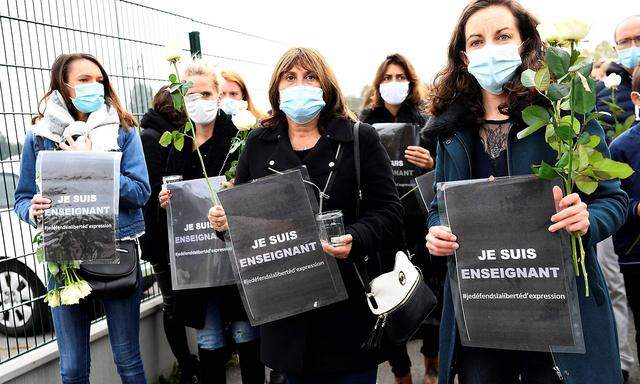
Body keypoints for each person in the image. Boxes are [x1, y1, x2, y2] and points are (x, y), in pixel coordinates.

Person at [424, 1, 628, 383]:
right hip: (483, 313)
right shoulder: (450, 131)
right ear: (465, 57)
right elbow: (439, 206)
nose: (490, 49)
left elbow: (612, 199)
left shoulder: (565, 112)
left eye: (502, 37)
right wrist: (436, 232)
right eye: (478, 41)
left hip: (561, 311)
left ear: (525, 44)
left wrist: (587, 219)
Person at [208, 47, 403, 384]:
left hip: (348, 314)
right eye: (291, 77)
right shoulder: (258, 142)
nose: (301, 85)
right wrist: (225, 223)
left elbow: (389, 210)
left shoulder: (359, 138)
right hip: (286, 317)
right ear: (277, 88)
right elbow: (241, 220)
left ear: (326, 86)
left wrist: (356, 236)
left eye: (310, 77)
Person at [14, 53, 151, 384]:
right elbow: (22, 197)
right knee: (73, 367)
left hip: (116, 250)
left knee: (127, 358)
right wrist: (32, 211)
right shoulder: (39, 136)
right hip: (65, 258)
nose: (96, 86)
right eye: (85, 80)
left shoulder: (123, 130)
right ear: (63, 85)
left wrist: (94, 164)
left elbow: (141, 192)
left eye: (99, 79)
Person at [151, 62, 264, 384]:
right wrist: (166, 203)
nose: (199, 100)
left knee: (246, 333)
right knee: (209, 337)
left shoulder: (240, 141)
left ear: (218, 96)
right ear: (181, 101)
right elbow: (171, 206)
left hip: (236, 256)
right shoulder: (180, 145)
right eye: (192, 95)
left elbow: (257, 193)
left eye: (206, 93)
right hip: (199, 262)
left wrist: (237, 192)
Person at [360, 53, 442, 384]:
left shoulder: (428, 123)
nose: (394, 83)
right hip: (384, 226)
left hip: (422, 223)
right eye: (387, 78)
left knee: (431, 294)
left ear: (410, 82)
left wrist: (431, 163)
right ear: (378, 85)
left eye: (400, 77)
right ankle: (401, 373)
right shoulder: (364, 126)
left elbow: (445, 175)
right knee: (389, 300)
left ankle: (432, 364)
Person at [139, 86, 201, 384]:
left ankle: (192, 363)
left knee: (181, 301)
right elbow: (151, 194)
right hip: (162, 238)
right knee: (173, 303)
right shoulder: (151, 139)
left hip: (176, 233)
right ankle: (186, 366)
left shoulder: (174, 134)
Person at [611, 66, 640, 380]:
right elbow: (614, 197)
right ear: (635, 98)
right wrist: (635, 208)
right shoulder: (621, 147)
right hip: (635, 255)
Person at [596, 15, 640, 136]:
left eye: (639, 38)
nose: (633, 46)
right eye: (624, 41)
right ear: (616, 49)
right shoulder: (599, 92)